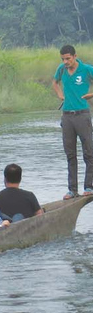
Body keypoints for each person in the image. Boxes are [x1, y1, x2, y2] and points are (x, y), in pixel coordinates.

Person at [53, 44, 93, 199]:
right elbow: (55, 82)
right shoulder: (61, 70)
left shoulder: (86, 69)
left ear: (75, 56)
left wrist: (91, 94)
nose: (65, 61)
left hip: (82, 115)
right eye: (63, 59)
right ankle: (72, 189)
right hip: (67, 116)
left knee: (89, 152)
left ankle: (89, 186)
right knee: (70, 154)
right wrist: (60, 95)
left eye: (68, 58)